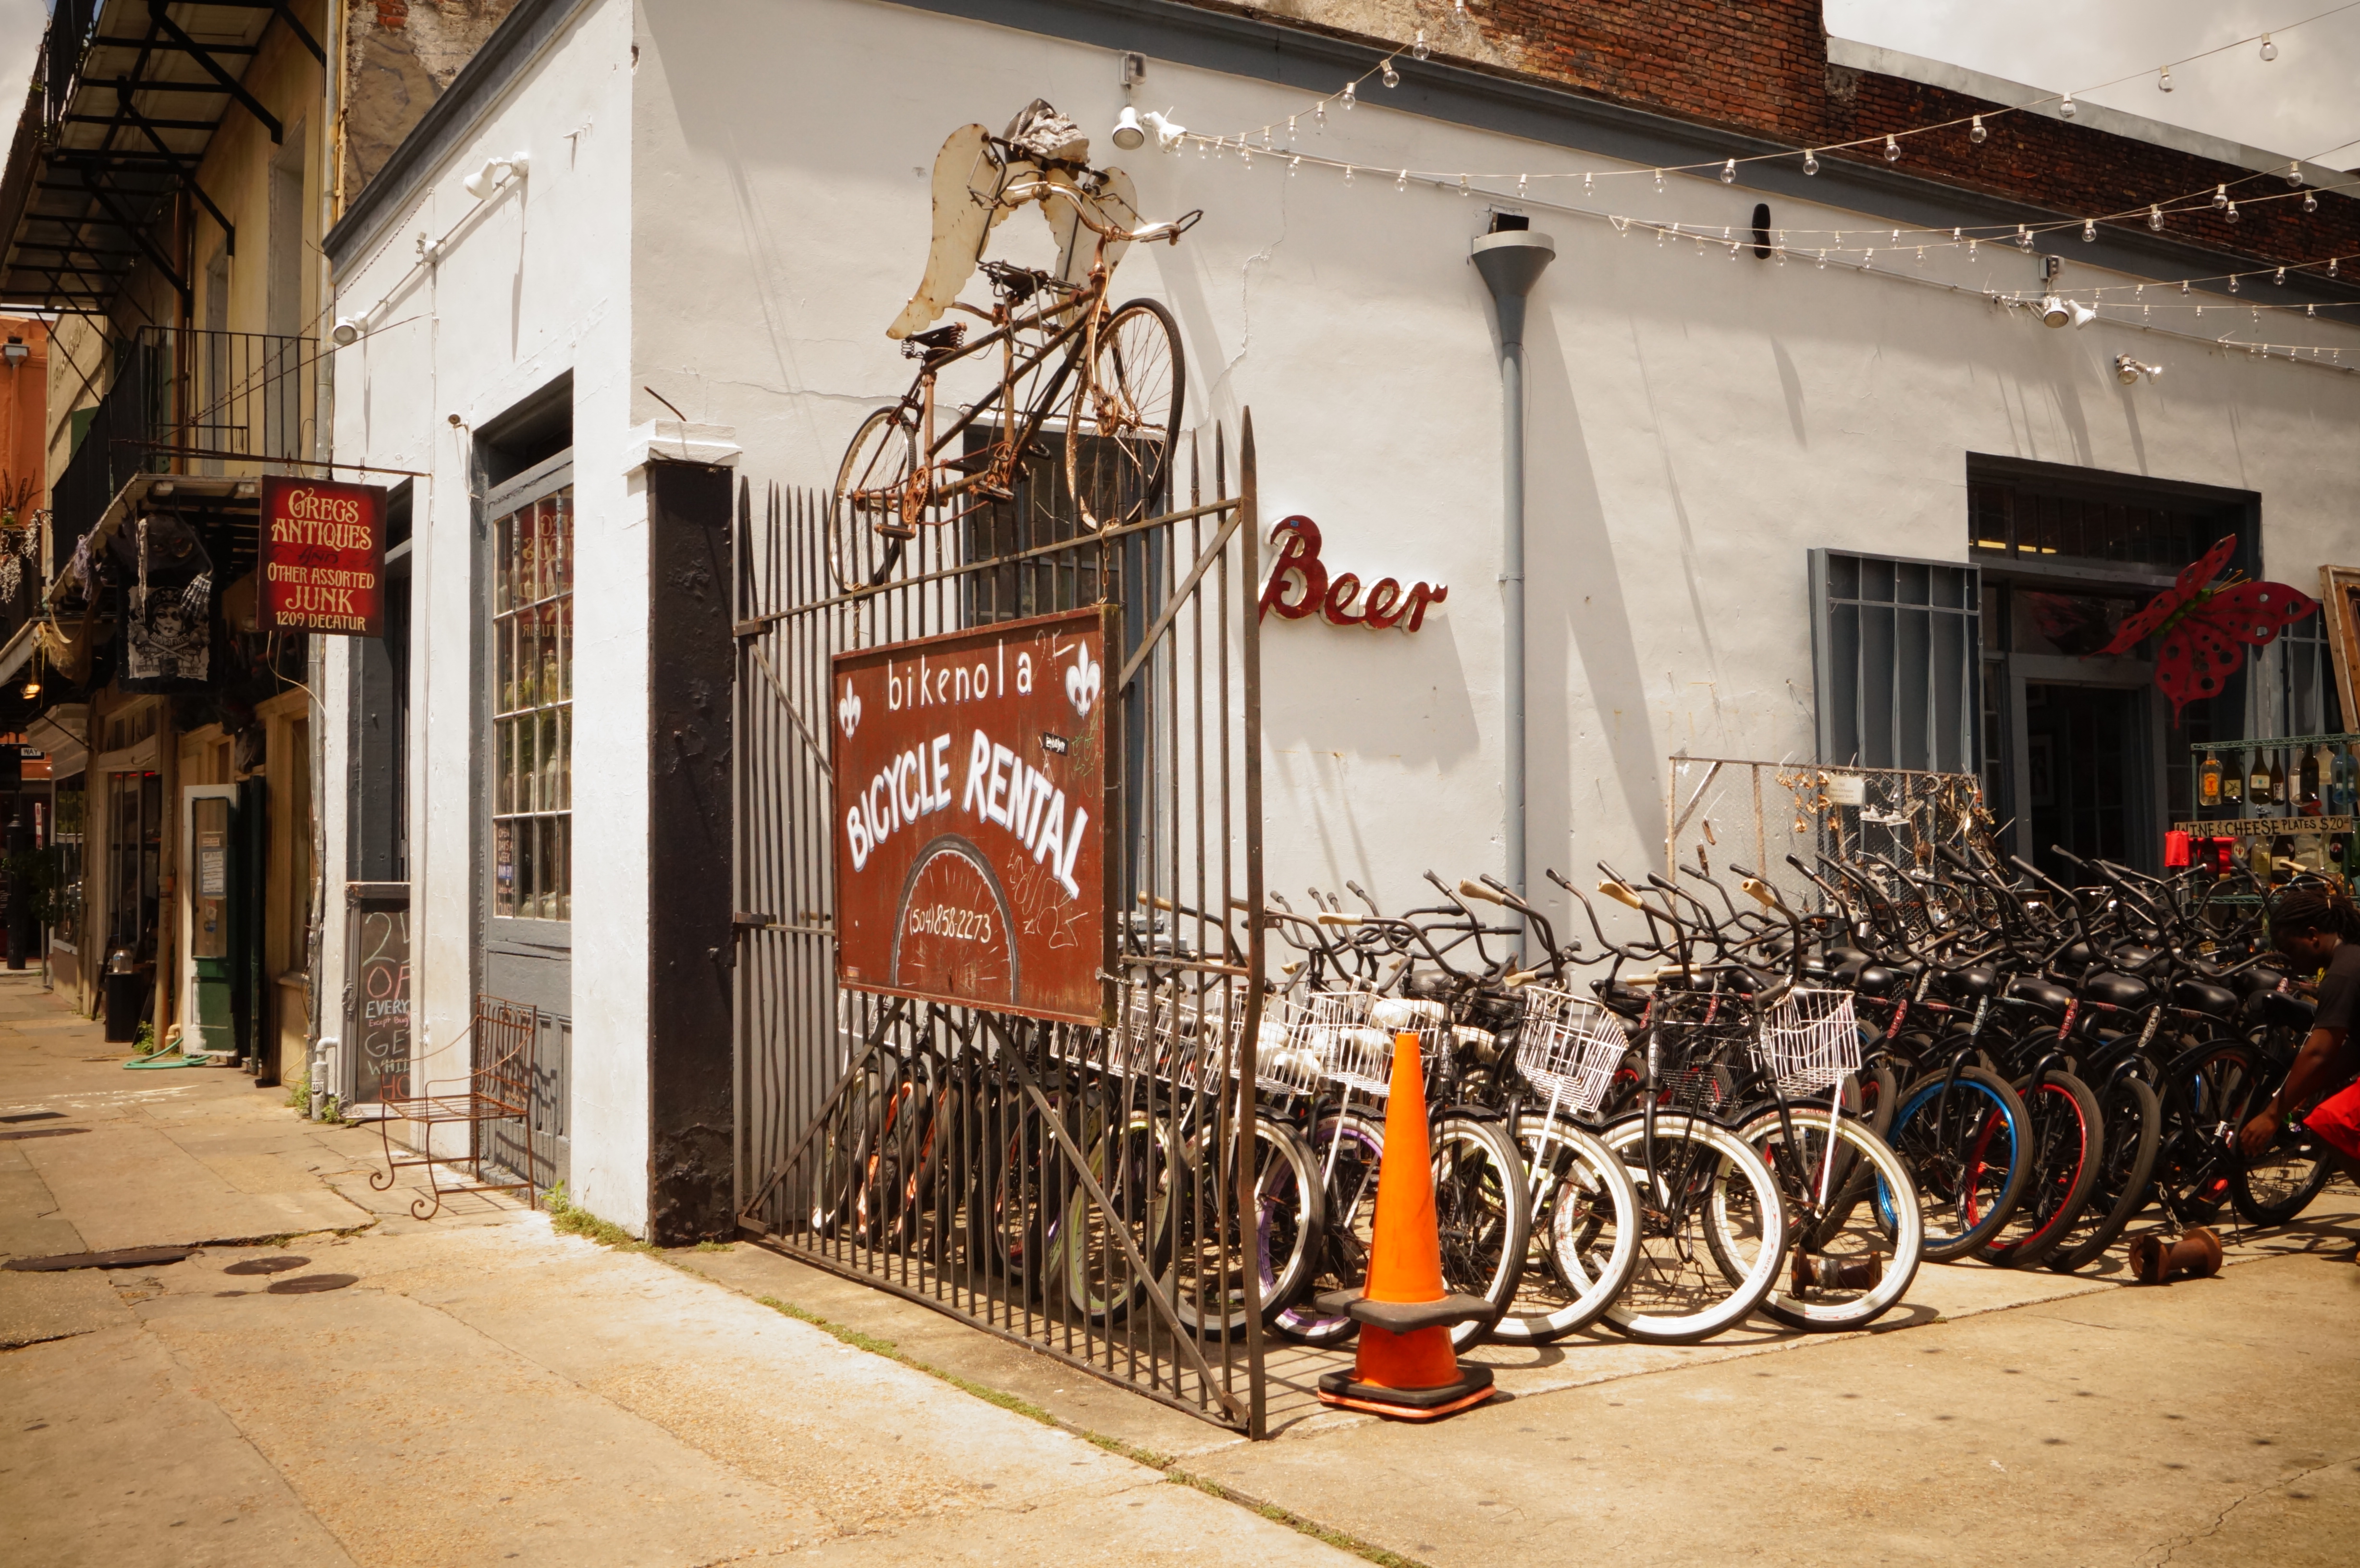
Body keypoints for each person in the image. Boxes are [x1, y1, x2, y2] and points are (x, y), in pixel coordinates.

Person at [2238, 883, 2360, 1221]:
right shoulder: (2352, 954)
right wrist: (2302, 1091)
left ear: (2312, 936)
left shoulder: (2343, 973)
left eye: (2288, 950)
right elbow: (2355, 1048)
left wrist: (2273, 1114)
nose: (2289, 963)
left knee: (2329, 1121)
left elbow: (2321, 1052)